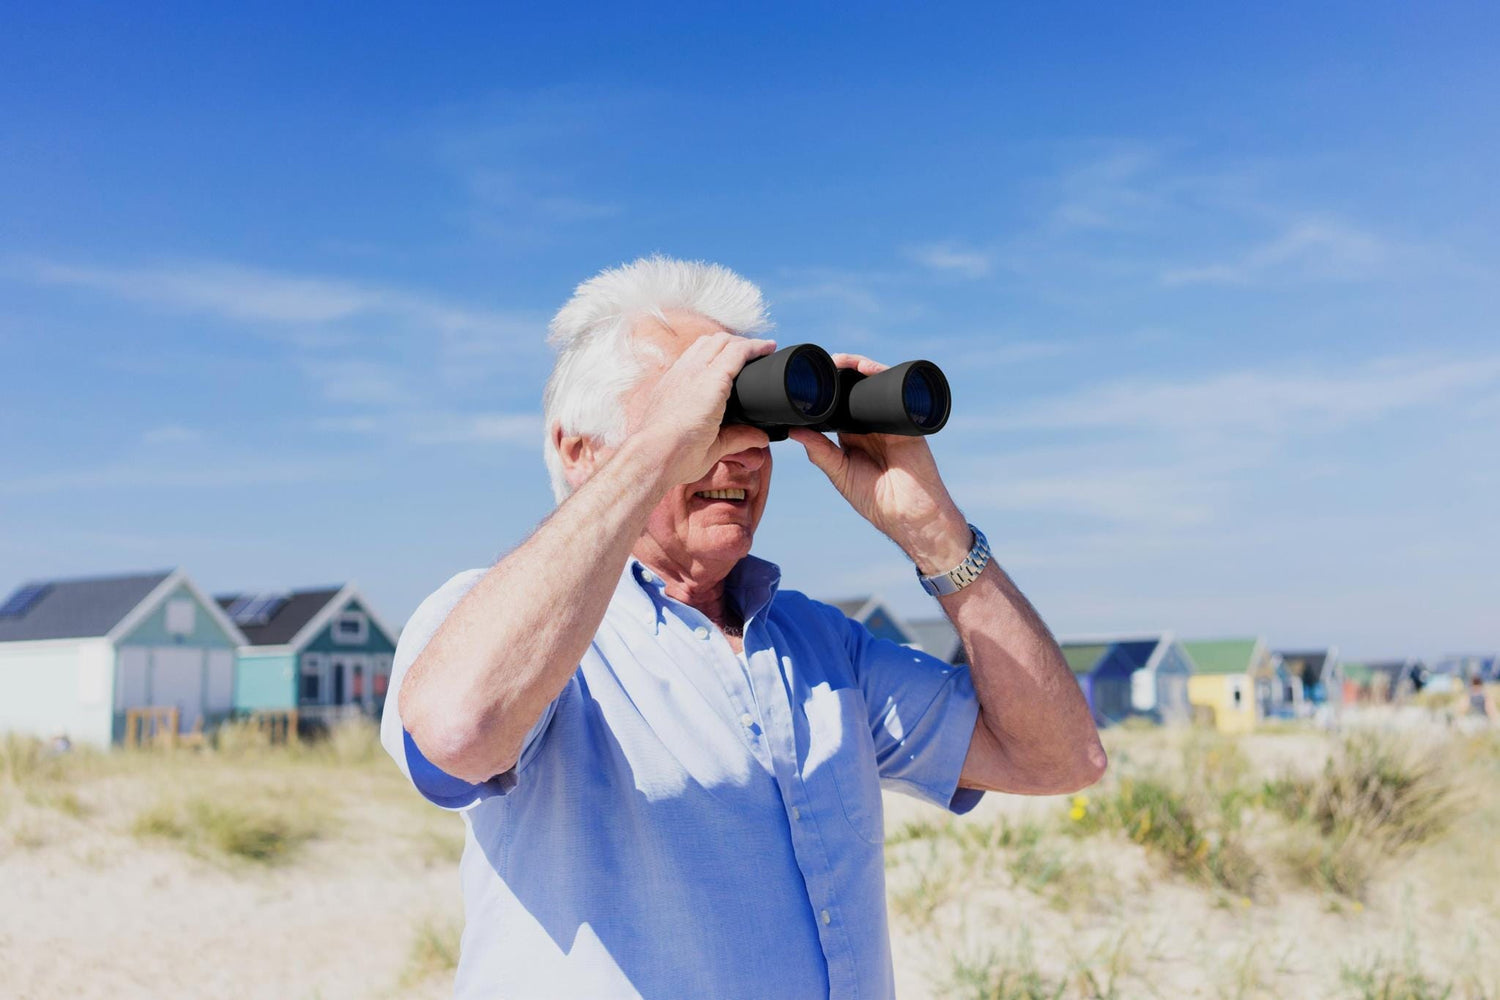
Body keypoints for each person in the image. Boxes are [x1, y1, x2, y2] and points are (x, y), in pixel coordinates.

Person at [381, 256, 1107, 999]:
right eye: (705, 412)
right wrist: (658, 452)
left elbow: (1061, 759)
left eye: (755, 419)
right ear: (580, 450)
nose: (745, 448)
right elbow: (457, 732)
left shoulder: (825, 649)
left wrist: (936, 535)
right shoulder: (494, 627)